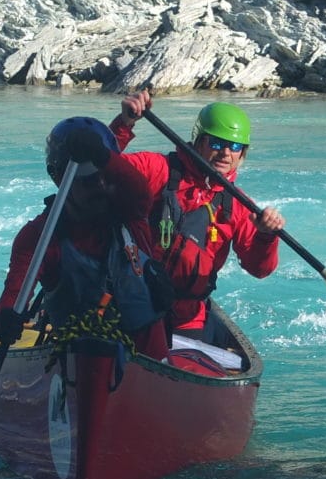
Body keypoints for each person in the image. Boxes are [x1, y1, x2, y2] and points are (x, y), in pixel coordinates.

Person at [108, 93, 285, 342]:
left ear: (242, 153)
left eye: (234, 147)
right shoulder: (157, 169)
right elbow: (103, 169)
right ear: (199, 140)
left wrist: (266, 237)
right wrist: (123, 125)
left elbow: (259, 270)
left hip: (187, 316)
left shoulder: (239, 205)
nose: (225, 153)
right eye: (216, 143)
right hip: (132, 301)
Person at [0, 117, 169, 360]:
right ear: (57, 177)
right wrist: (5, 317)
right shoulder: (39, 237)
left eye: (107, 177)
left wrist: (104, 158)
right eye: (88, 180)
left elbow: (136, 186)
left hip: (148, 361)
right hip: (81, 360)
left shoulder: (132, 213)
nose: (101, 186)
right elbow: (14, 292)